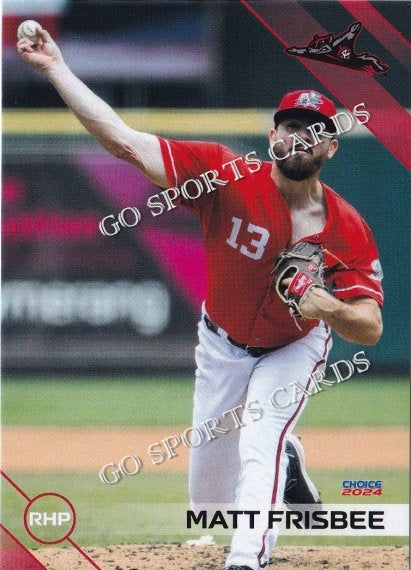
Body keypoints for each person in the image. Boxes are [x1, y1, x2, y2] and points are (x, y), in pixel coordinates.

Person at [18, 28, 383, 570]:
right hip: (221, 345)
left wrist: (326, 306)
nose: (301, 138)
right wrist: (55, 68)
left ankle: (246, 557)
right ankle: (288, 464)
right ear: (273, 135)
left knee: (259, 438)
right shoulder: (225, 175)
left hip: (294, 348)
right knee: (210, 503)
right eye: (291, 127)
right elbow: (122, 140)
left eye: (315, 131)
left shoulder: (346, 227)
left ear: (332, 145)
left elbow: (369, 326)